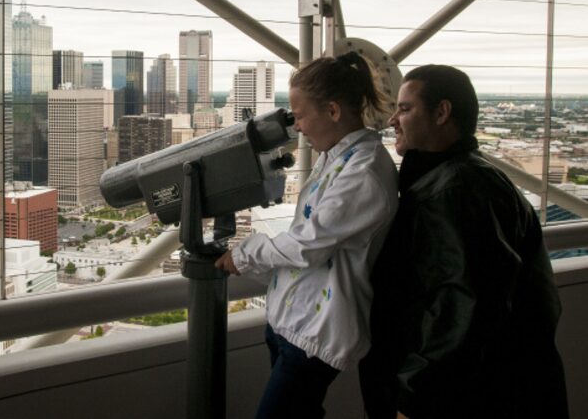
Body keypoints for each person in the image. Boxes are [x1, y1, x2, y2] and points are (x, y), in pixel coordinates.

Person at [359, 65, 569, 419]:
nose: (393, 120)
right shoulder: (467, 179)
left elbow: (460, 309)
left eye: (405, 108)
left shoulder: (455, 192)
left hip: (461, 399)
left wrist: (414, 399)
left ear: (442, 113)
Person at [215, 52, 398, 419]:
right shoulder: (338, 157)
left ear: (332, 111)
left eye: (300, 116)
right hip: (290, 323)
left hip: (313, 336)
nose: (297, 127)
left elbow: (308, 244)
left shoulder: (363, 173)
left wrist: (246, 254)